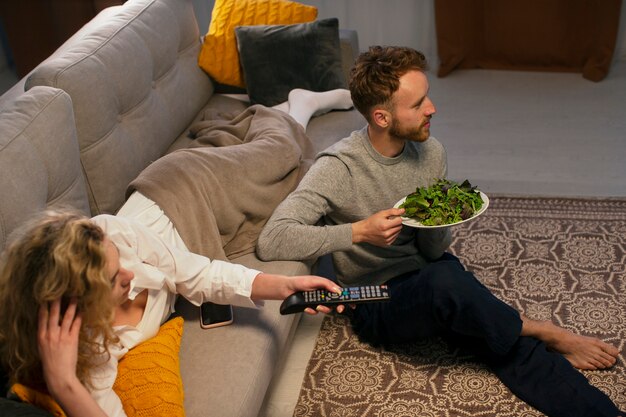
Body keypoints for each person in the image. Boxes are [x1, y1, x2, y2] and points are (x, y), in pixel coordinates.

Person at [256, 46, 624, 417]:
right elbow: (273, 239)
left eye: (427, 96)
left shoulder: (431, 153)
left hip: (433, 275)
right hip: (376, 301)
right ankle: (543, 329)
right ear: (382, 117)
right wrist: (358, 232)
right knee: (450, 286)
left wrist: (440, 222)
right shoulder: (338, 168)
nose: (432, 108)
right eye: (417, 104)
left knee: (496, 334)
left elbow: (431, 252)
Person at [0, 88, 353, 417]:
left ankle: (300, 104)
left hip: (181, 189)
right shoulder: (91, 351)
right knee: (288, 183)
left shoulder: (115, 234)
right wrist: (64, 385)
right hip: (198, 231)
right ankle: (290, 114)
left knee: (281, 155)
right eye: (112, 280)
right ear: (77, 306)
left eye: (116, 262)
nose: (128, 273)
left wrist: (280, 286)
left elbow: (194, 273)